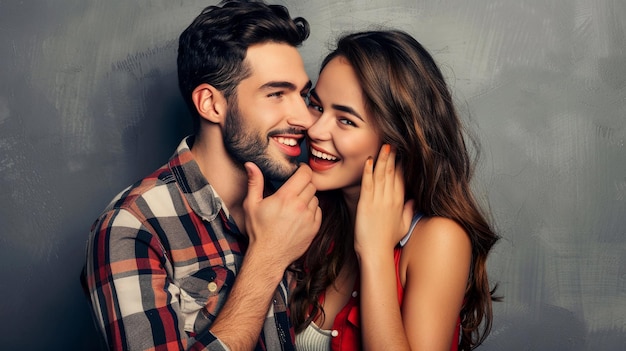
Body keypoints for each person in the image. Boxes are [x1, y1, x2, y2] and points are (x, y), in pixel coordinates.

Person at [82, 1, 321, 350]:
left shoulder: (299, 208)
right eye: (276, 95)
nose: (306, 118)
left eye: (303, 95)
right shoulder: (132, 227)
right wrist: (267, 258)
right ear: (211, 104)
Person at [290, 30, 500, 350]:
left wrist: (374, 253)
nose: (315, 130)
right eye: (317, 106)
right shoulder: (310, 215)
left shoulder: (438, 238)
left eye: (345, 120)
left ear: (397, 138)